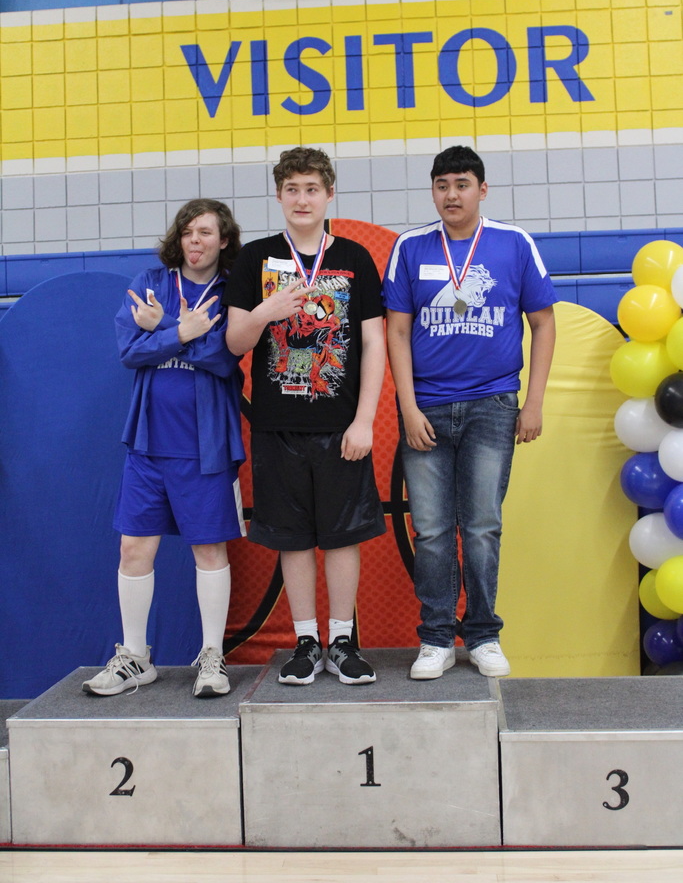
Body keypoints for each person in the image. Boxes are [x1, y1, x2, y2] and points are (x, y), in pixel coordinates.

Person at [383, 145, 556, 680]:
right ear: (432, 191)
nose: (451, 195)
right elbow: (397, 330)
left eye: (461, 184)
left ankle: (482, 634)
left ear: (482, 189)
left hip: (493, 405)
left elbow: (544, 323)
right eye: (442, 185)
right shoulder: (411, 248)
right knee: (432, 530)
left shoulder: (513, 244)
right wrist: (407, 407)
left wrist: (533, 402)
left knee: (481, 526)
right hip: (427, 408)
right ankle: (436, 637)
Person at [225, 147, 385, 685]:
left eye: (311, 189)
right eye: (291, 189)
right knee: (292, 538)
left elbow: (374, 342)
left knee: (342, 537)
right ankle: (305, 641)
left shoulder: (355, 259)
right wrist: (268, 312)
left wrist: (364, 420)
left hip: (341, 425)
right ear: (278, 196)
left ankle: (342, 639)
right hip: (277, 425)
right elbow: (233, 340)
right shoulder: (256, 259)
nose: (301, 199)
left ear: (328, 195)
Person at [82, 199, 245, 698]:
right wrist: (180, 331)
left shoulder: (230, 290)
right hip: (149, 444)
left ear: (223, 241)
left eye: (206, 233)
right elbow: (130, 352)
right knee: (134, 548)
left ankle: (212, 657)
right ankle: (135, 656)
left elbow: (224, 358)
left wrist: (164, 330)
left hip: (205, 445)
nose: (196, 241)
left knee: (208, 549)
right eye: (188, 232)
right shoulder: (150, 279)